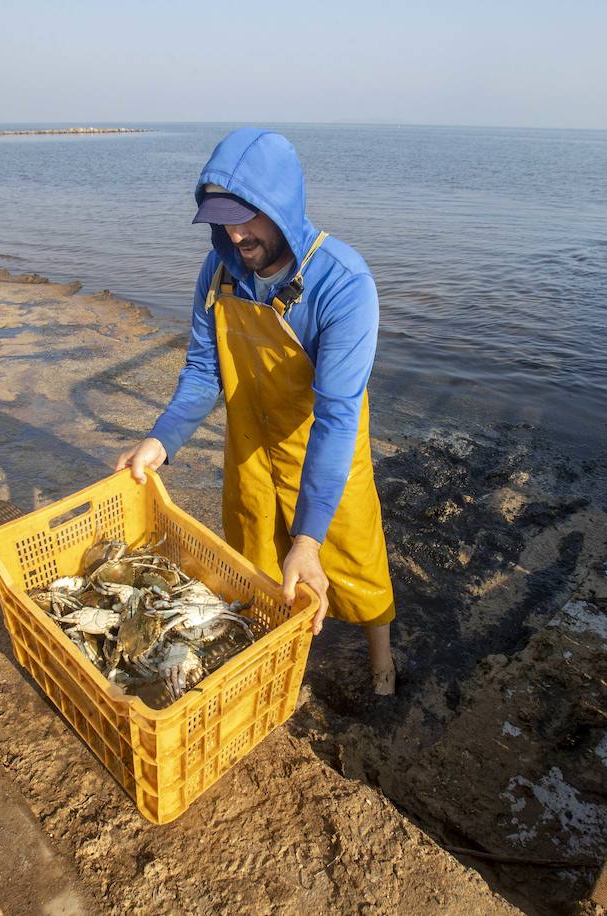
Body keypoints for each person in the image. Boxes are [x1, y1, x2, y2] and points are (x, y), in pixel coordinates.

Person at [115, 129, 397, 696]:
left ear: (282, 207)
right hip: (248, 448)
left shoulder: (344, 286)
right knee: (258, 563)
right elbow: (202, 369)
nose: (236, 234)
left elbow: (337, 417)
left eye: (249, 219)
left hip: (322, 448)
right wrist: (162, 439)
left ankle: (382, 660)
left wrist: (310, 537)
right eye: (222, 220)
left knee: (357, 560)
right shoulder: (218, 273)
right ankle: (275, 658)